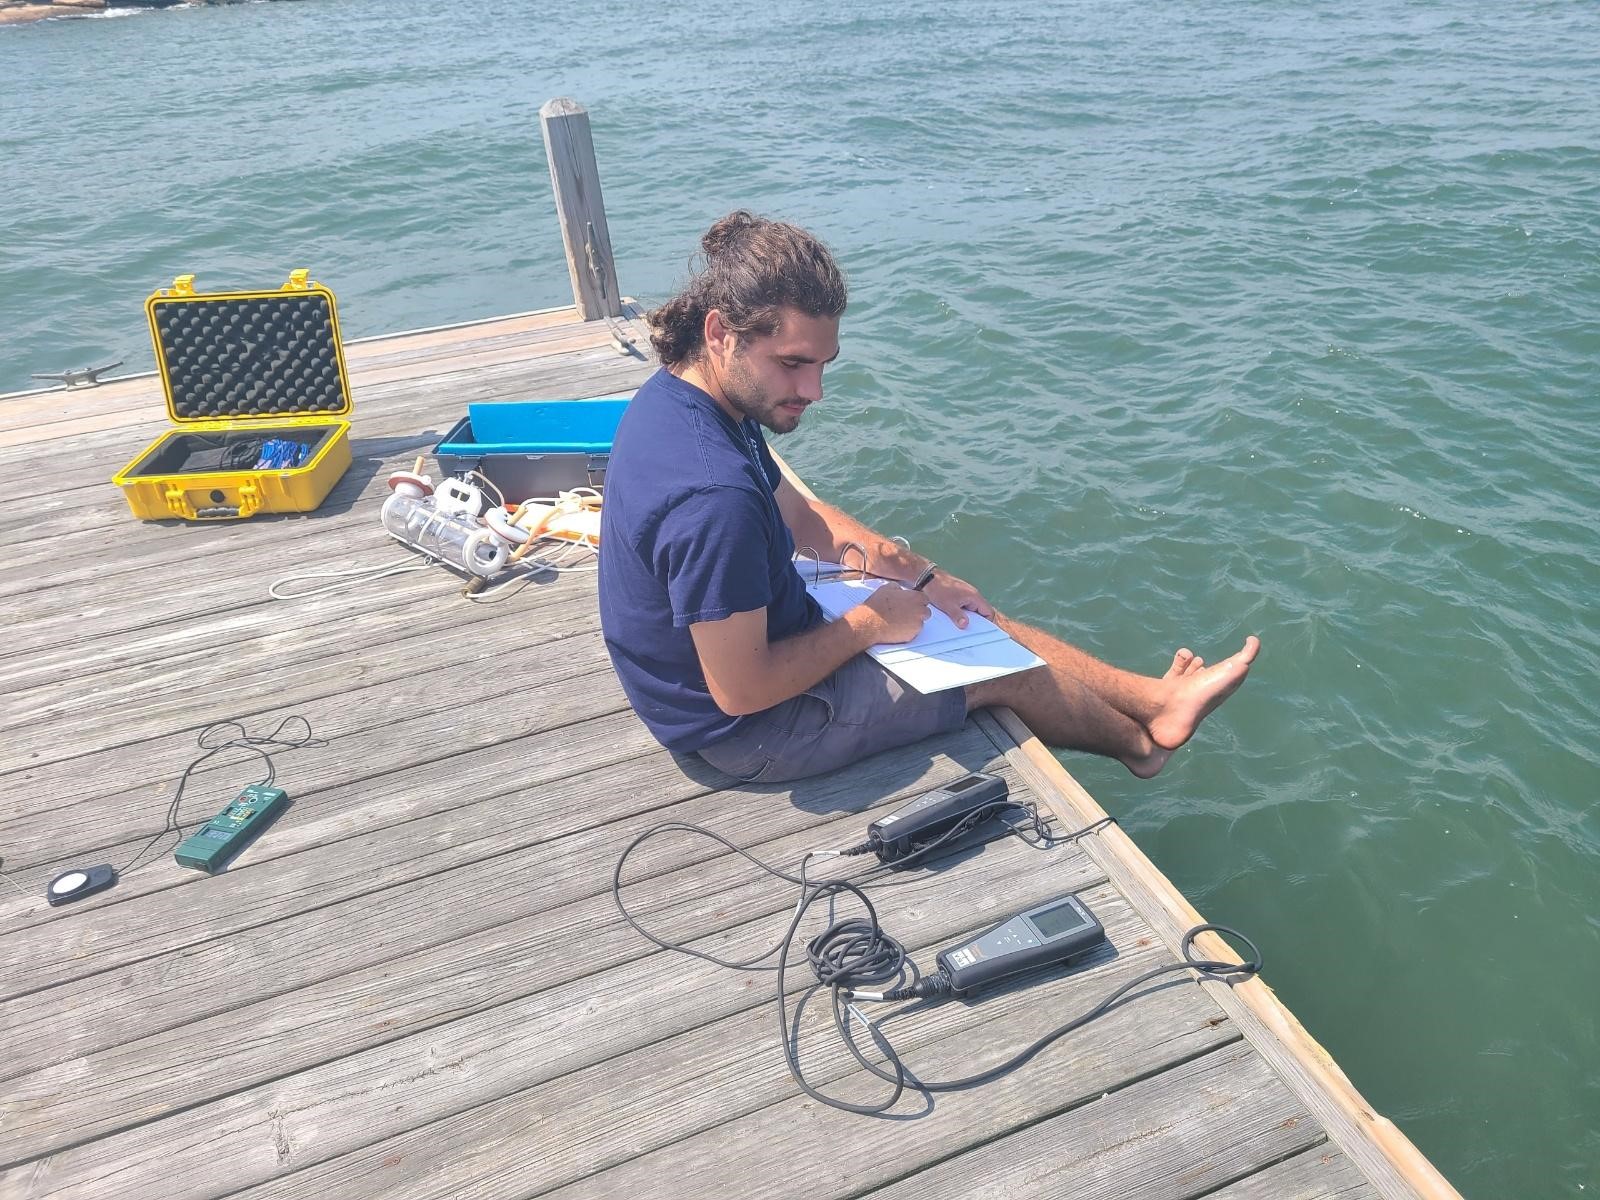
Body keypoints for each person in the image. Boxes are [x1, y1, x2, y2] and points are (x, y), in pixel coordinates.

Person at [598, 211, 1259, 785]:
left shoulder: (699, 398)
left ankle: (1153, 699)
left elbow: (801, 517)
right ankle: (1141, 748)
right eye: (793, 363)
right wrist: (871, 624)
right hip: (746, 734)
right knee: (992, 673)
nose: (815, 390)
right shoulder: (711, 499)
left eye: (823, 364)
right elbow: (741, 691)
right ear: (722, 333)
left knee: (969, 615)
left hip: (765, 641)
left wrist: (921, 578)